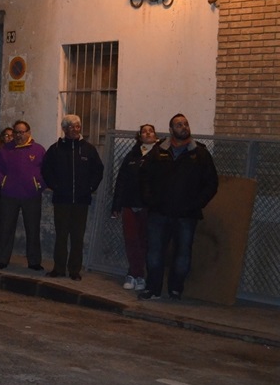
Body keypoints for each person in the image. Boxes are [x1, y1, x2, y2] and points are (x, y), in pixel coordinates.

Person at [138, 114, 218, 301]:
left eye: (186, 124)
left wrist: (196, 204)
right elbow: (144, 177)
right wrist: (150, 200)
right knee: (154, 253)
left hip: (186, 215)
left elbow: (211, 184)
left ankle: (175, 289)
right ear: (171, 129)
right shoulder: (159, 151)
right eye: (179, 125)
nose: (184, 127)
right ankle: (153, 289)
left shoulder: (200, 153)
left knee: (182, 254)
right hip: (159, 213)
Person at [41, 114, 104, 281]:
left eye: (77, 126)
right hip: (61, 200)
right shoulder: (55, 149)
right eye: (71, 126)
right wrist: (55, 186)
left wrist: (90, 188)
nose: (75, 129)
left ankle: (74, 270)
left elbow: (98, 170)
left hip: (81, 201)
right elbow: (46, 169)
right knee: (61, 235)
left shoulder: (89, 149)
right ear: (64, 129)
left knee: (77, 237)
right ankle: (59, 268)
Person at [0, 121, 46, 271]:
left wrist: (38, 184)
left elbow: (46, 170)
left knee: (33, 229)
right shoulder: (5, 150)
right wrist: (2, 182)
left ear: (28, 132)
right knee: (5, 228)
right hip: (9, 195)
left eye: (22, 132)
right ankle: (1, 259)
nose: (19, 135)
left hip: (31, 195)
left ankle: (34, 261)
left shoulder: (38, 150)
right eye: (16, 132)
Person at [111, 124, 159, 291]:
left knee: (146, 241)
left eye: (150, 131)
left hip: (149, 207)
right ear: (139, 136)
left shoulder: (160, 154)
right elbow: (121, 181)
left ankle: (141, 276)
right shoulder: (132, 155)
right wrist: (116, 204)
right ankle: (133, 274)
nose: (148, 133)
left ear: (155, 135)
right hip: (130, 205)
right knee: (131, 240)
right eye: (144, 131)